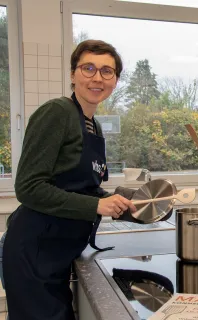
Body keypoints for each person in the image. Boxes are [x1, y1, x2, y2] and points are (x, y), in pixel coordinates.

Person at [3, 40, 136, 320]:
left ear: (115, 81)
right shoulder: (57, 113)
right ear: (73, 75)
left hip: (58, 251)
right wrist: (96, 206)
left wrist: (117, 201)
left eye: (106, 71)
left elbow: (77, 186)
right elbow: (29, 188)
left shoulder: (92, 124)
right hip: (35, 250)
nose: (97, 77)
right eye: (88, 68)